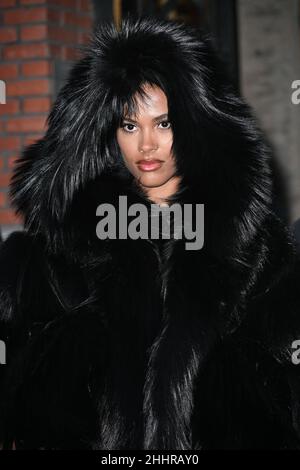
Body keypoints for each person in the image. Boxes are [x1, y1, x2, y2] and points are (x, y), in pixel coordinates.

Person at [0, 14, 300, 451]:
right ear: (109, 132)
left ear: (194, 126)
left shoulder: (255, 248)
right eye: (129, 125)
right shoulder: (54, 253)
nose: (146, 146)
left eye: (163, 123)